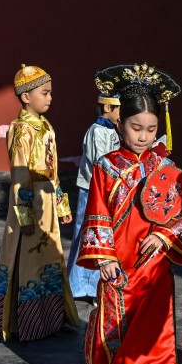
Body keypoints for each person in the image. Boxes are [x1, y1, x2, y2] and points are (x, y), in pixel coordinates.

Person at [78, 63, 182, 364]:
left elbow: (180, 210)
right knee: (117, 326)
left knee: (154, 329)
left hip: (155, 264)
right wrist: (104, 257)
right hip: (119, 264)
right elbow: (96, 214)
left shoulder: (166, 164)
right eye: (135, 127)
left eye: (152, 129)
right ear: (119, 123)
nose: (143, 136)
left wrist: (163, 234)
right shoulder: (106, 167)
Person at [0, 64, 79, 342]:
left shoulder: (46, 126)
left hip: (49, 203)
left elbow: (52, 171)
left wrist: (62, 205)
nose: (50, 98)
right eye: (45, 93)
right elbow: (19, 176)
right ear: (26, 97)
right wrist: (25, 216)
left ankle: (51, 319)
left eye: (50, 92)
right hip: (30, 204)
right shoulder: (20, 130)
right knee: (28, 262)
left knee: (50, 259)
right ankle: (28, 323)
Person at [66, 73, 122, 300]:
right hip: (92, 189)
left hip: (108, 189)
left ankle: (97, 283)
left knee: (104, 234)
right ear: (107, 108)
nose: (120, 114)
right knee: (86, 234)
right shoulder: (96, 131)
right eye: (118, 109)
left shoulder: (111, 130)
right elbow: (101, 161)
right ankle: (80, 285)